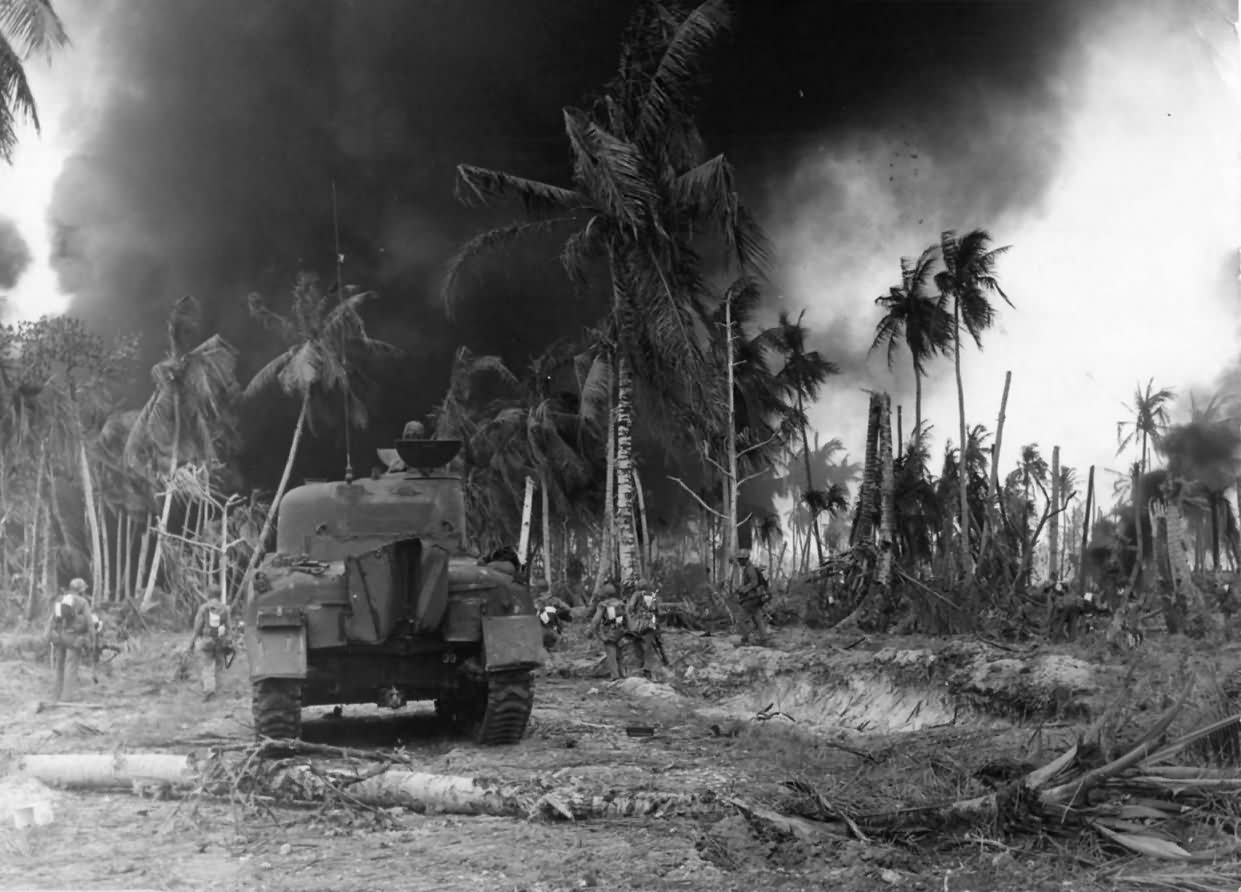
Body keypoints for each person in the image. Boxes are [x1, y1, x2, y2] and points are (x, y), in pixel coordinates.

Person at [44, 578, 99, 702]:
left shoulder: (61, 599)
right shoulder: (83, 602)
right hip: (73, 639)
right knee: (71, 667)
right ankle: (66, 698)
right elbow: (90, 624)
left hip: (59, 637)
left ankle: (56, 695)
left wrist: (48, 637)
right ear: (81, 590)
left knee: (59, 666)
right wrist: (92, 640)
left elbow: (52, 620)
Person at [186, 589, 235, 700]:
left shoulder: (204, 608)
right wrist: (230, 642)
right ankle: (218, 689)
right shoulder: (225, 609)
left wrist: (191, 644)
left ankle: (209, 690)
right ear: (220, 595)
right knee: (219, 665)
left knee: (207, 665)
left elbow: (197, 627)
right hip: (221, 641)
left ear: (208, 594)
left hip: (207, 641)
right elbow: (229, 627)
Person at [587, 583, 628, 680]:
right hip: (621, 630)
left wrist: (590, 631)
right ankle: (624, 673)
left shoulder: (603, 605)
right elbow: (627, 617)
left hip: (609, 632)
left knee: (611, 654)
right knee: (620, 653)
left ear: (604, 594)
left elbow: (596, 620)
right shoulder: (621, 603)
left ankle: (614, 675)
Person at [625, 578, 663, 677]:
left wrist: (632, 614)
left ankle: (640, 664)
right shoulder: (653, 595)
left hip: (639, 623)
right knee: (648, 646)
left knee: (636, 643)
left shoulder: (637, 594)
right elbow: (658, 611)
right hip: (651, 622)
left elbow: (630, 607)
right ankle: (647, 667)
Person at [734, 551, 771, 645]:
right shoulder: (748, 568)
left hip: (751, 599)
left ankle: (748, 637)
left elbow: (754, 582)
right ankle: (764, 639)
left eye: (740, 560)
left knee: (740, 620)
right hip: (755, 598)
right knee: (758, 618)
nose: (739, 562)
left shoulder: (750, 569)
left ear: (744, 559)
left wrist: (743, 589)